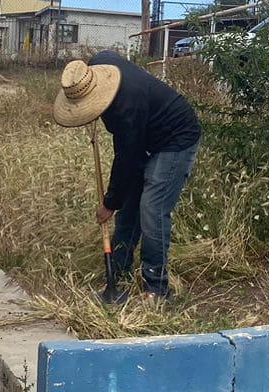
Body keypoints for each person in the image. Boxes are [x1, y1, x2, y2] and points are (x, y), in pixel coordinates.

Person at [51, 50, 201, 304]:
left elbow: (127, 157)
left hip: (176, 137)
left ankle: (157, 288)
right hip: (147, 133)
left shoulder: (127, 107)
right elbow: (128, 156)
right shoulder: (99, 64)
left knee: (151, 208)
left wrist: (110, 202)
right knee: (130, 206)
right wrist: (119, 199)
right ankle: (117, 275)